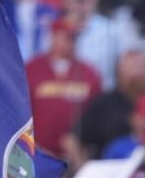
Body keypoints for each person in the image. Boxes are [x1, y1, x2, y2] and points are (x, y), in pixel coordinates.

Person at [26, 18, 101, 156]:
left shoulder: (88, 72)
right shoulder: (32, 69)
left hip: (77, 152)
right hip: (39, 152)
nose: (70, 43)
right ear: (53, 37)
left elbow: (97, 112)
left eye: (73, 39)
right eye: (65, 38)